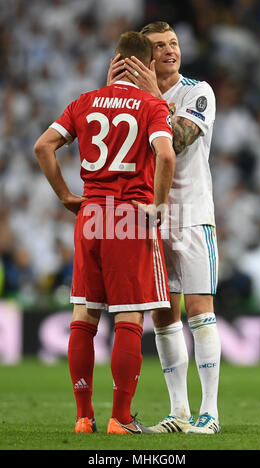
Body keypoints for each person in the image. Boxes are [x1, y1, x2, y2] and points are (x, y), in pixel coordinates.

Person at [34, 31, 175, 435]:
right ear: (148, 65)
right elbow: (165, 153)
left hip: (92, 214)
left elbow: (43, 146)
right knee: (129, 317)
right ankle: (121, 418)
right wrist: (160, 206)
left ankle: (83, 417)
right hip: (130, 215)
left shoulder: (85, 101)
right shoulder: (151, 104)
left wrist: (65, 195)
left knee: (83, 315)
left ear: (114, 62)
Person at [109, 21, 221, 434]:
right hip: (149, 219)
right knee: (163, 316)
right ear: (143, 57)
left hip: (191, 214)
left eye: (173, 43)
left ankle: (209, 414)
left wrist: (153, 98)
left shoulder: (198, 91)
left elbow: (177, 140)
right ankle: (178, 412)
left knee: (199, 311)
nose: (170, 50)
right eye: (159, 46)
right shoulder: (127, 101)